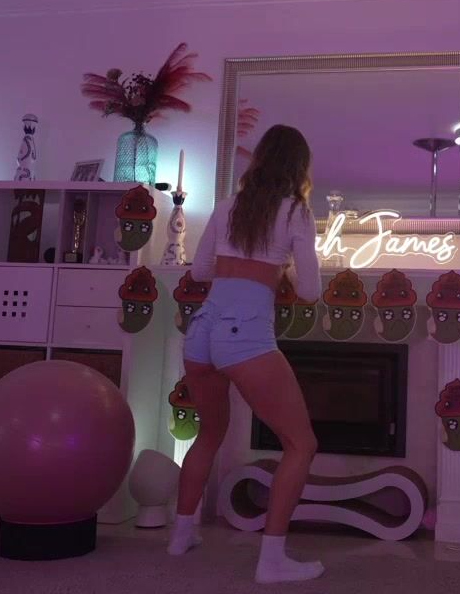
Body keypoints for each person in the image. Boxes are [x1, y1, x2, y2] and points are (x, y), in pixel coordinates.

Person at [167, 124, 323, 584]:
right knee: (302, 444)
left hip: (203, 330)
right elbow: (311, 292)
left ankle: (180, 536)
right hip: (245, 334)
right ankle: (271, 561)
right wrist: (283, 270)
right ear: (299, 167)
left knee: (209, 433)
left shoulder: (227, 206)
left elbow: (200, 271)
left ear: (259, 160)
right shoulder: (296, 211)